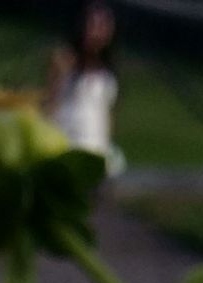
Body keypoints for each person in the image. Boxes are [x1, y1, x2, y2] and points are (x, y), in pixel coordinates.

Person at [47, 2, 123, 173]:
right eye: (93, 25)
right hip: (68, 140)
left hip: (96, 146)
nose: (98, 32)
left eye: (104, 26)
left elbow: (107, 113)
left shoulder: (107, 69)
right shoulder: (65, 60)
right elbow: (52, 101)